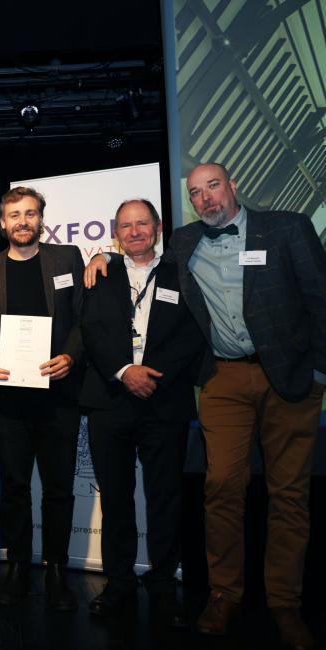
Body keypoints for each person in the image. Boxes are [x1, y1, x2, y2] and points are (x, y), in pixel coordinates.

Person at [84, 163, 326, 649]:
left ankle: (285, 603)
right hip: (224, 377)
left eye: (212, 186)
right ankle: (223, 596)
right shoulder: (182, 243)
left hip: (289, 379)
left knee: (289, 495)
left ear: (233, 185)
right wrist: (96, 256)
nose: (206, 198)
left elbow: (320, 299)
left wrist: (318, 369)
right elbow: (119, 276)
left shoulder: (287, 227)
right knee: (221, 489)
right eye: (195, 193)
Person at [80, 199, 207, 625]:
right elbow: (90, 328)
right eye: (126, 226)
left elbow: (194, 331)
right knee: (115, 498)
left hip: (163, 398)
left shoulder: (181, 273)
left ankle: (163, 586)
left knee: (165, 497)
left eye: (142, 224)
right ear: (115, 232)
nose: (134, 232)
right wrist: (123, 370)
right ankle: (118, 583)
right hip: (110, 401)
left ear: (156, 227)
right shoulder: (100, 271)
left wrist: (153, 374)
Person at [0, 186, 84, 611]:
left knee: (58, 489)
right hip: (8, 400)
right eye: (14, 215)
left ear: (42, 219)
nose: (22, 221)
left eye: (30, 214)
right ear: (3, 223)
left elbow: (82, 317)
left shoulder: (67, 259)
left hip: (59, 397)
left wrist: (71, 356)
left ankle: (56, 569)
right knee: (14, 488)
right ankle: (18, 566)